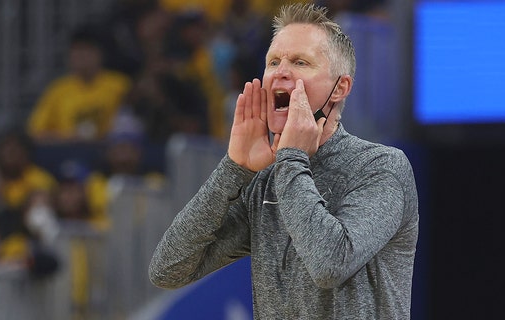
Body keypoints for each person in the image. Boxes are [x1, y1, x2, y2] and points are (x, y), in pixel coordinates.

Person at [149, 3, 418, 319]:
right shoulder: (264, 183)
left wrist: (291, 157)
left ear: (340, 88)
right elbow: (167, 270)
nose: (281, 72)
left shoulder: (381, 167)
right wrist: (233, 168)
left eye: (301, 62)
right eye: (273, 61)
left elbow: (329, 264)